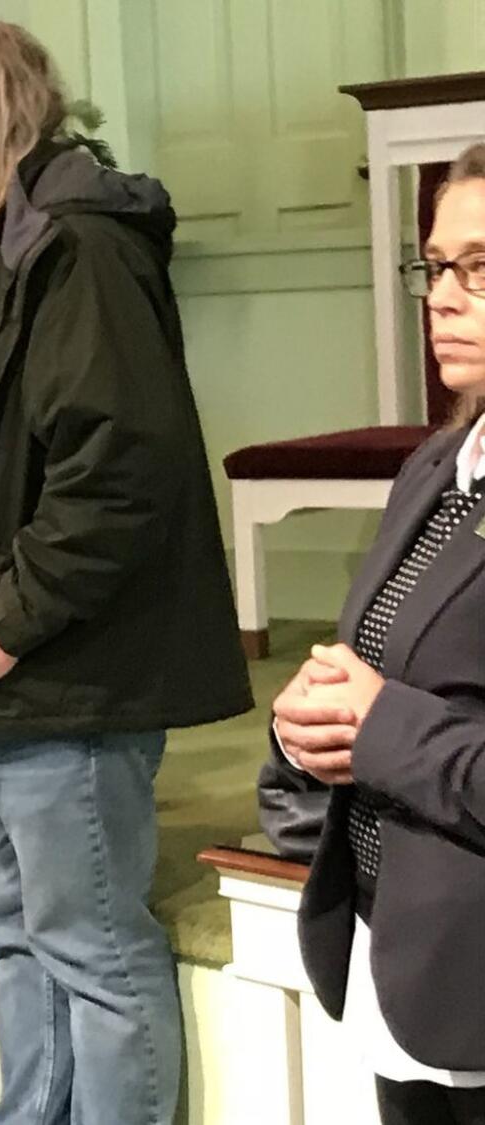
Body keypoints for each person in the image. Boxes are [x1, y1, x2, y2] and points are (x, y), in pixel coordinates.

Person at [0, 17, 251, 1124]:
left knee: (92, 956)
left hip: (55, 679)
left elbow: (121, 470)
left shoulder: (78, 249)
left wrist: (4, 623)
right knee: (13, 941)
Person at [262, 142, 485, 1125]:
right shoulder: (434, 467)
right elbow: (375, 675)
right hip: (396, 955)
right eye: (434, 265)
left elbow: (392, 715)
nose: (441, 296)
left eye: (478, 267)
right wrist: (301, 731)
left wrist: (378, 725)